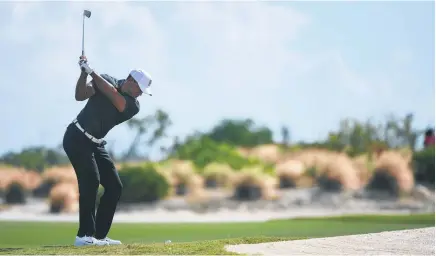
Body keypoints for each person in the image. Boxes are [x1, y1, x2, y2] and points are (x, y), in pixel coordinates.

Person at [62, 56, 152, 246]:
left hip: (96, 144)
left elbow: (116, 99)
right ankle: (84, 236)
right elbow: (80, 95)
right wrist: (83, 73)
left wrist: (92, 72)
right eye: (140, 89)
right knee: (91, 181)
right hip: (76, 137)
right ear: (130, 81)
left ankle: (99, 237)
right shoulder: (105, 80)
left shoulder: (133, 105)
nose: (141, 94)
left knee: (114, 186)